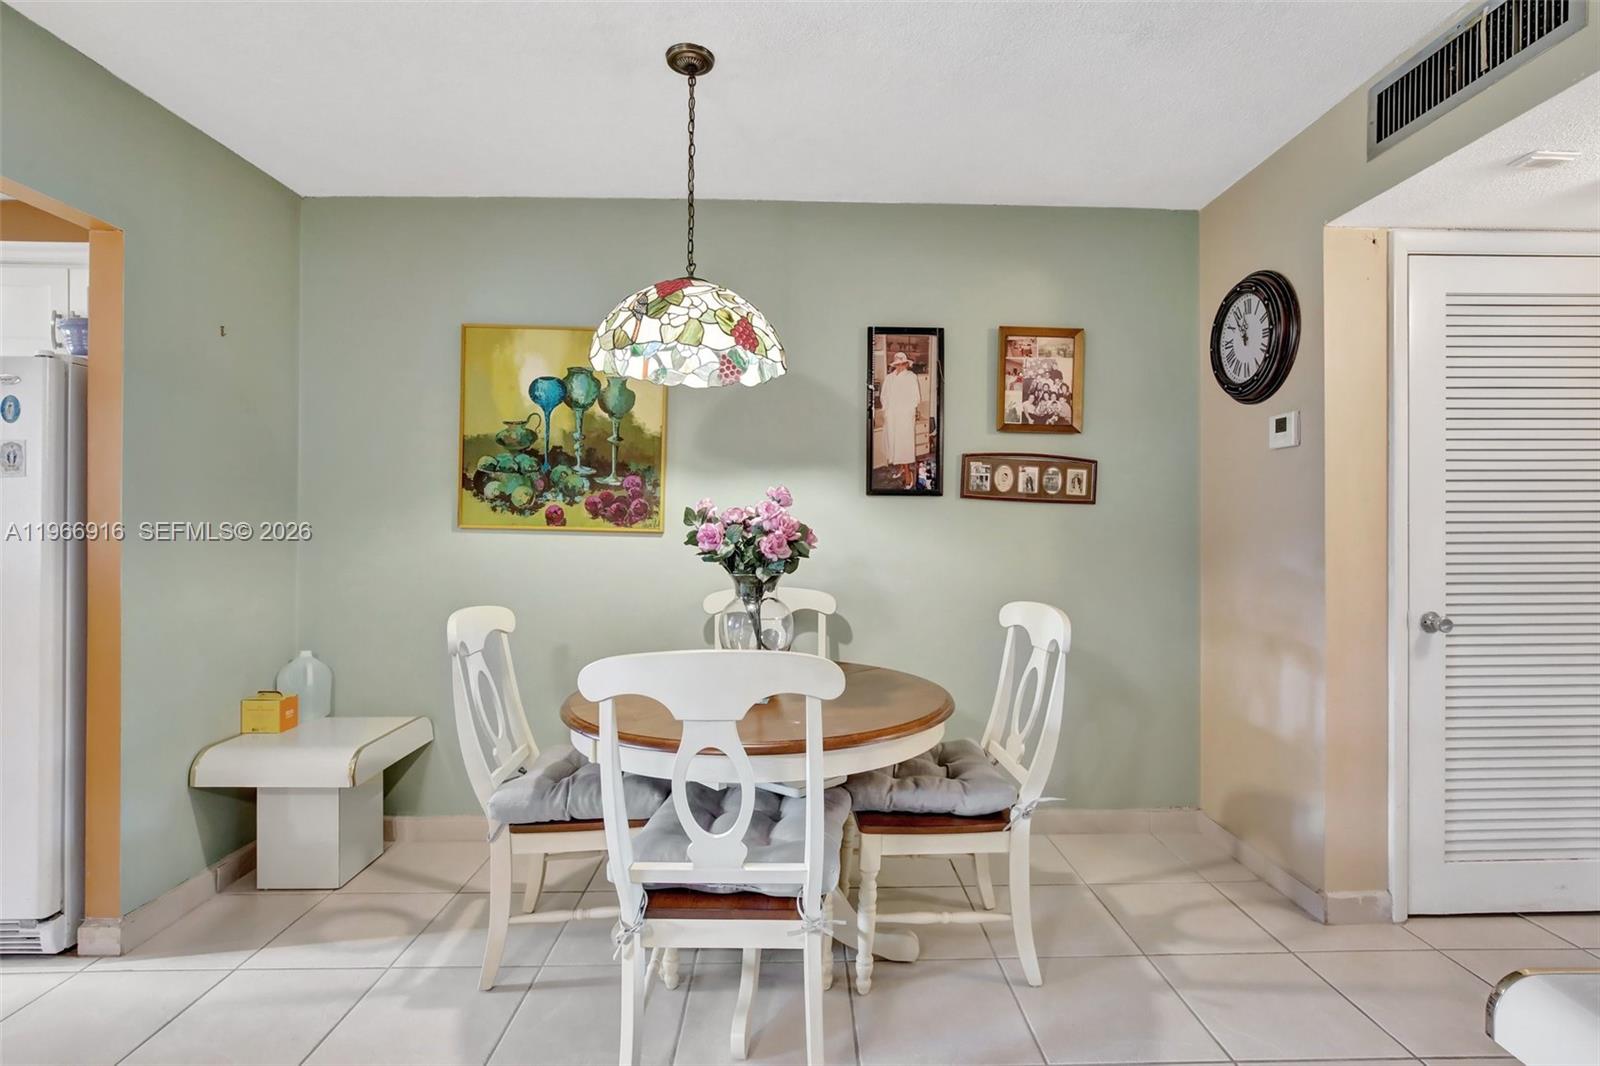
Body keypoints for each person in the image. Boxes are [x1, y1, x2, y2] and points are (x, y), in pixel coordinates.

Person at [880, 350, 922, 488]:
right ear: (894, 365)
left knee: (904, 445)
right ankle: (900, 468)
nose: (900, 366)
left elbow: (915, 398)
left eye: (903, 364)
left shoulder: (911, 377)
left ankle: (908, 473)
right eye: (898, 364)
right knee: (893, 443)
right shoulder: (889, 378)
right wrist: (886, 410)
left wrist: (907, 411)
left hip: (904, 416)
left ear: (906, 364)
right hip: (892, 416)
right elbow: (884, 396)